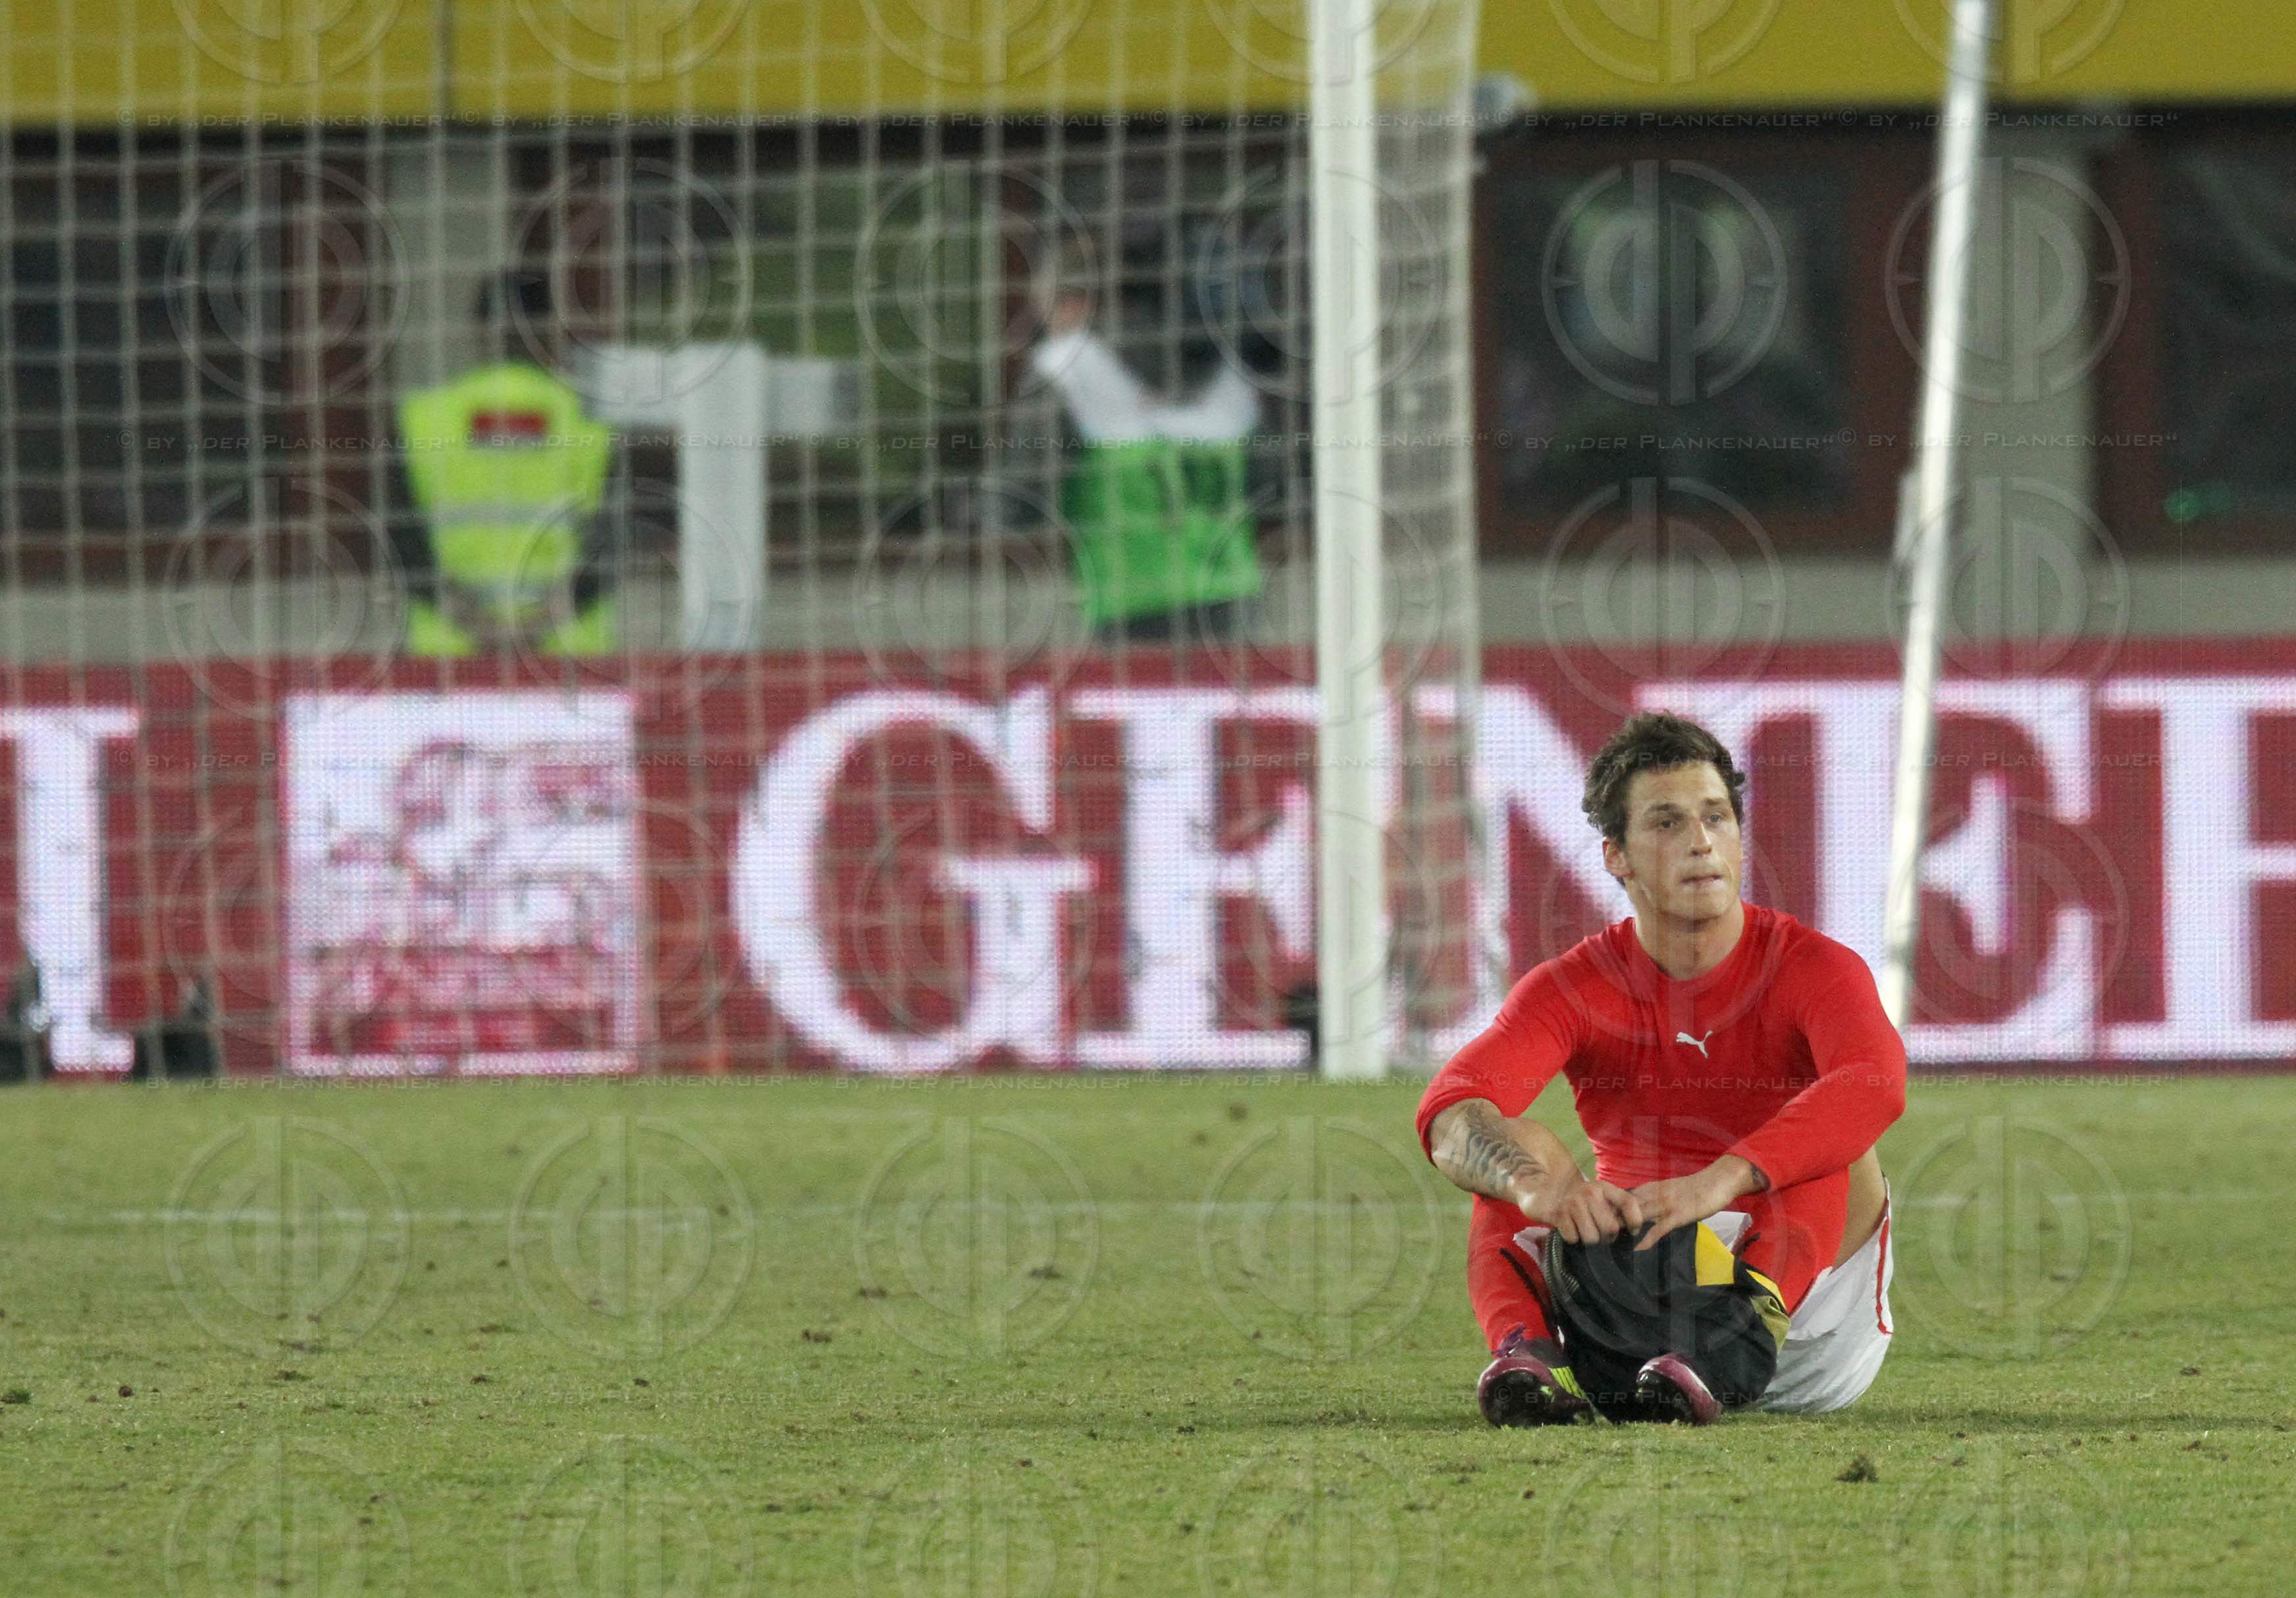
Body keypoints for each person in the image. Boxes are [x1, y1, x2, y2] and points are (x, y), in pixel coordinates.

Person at [1416, 711, 1904, 1425]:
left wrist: (1722, 1179)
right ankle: (1529, 1358)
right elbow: (1449, 1109)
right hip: (1642, 1307)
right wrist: (1534, 1185)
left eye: (1716, 817)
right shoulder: (1573, 987)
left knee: (1832, 1132)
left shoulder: (1814, 967)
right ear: (1615, 855)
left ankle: (1742, 1331)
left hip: (1810, 1332)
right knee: (1506, 1157)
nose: (1701, 841)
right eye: (1668, 823)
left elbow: (1877, 1085)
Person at [393, 269, 617, 657]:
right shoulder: (590, 418)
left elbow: (401, 545)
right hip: (566, 656)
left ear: (479, 329)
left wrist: (479, 626)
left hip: (452, 657)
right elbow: (615, 544)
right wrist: (534, 628)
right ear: (551, 328)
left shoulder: (423, 417)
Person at [1029, 282, 1264, 644]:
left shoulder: (1065, 367)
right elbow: (1275, 485)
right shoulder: (1235, 380)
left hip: (1129, 595)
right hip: (1229, 590)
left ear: (1082, 303)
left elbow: (1025, 488)